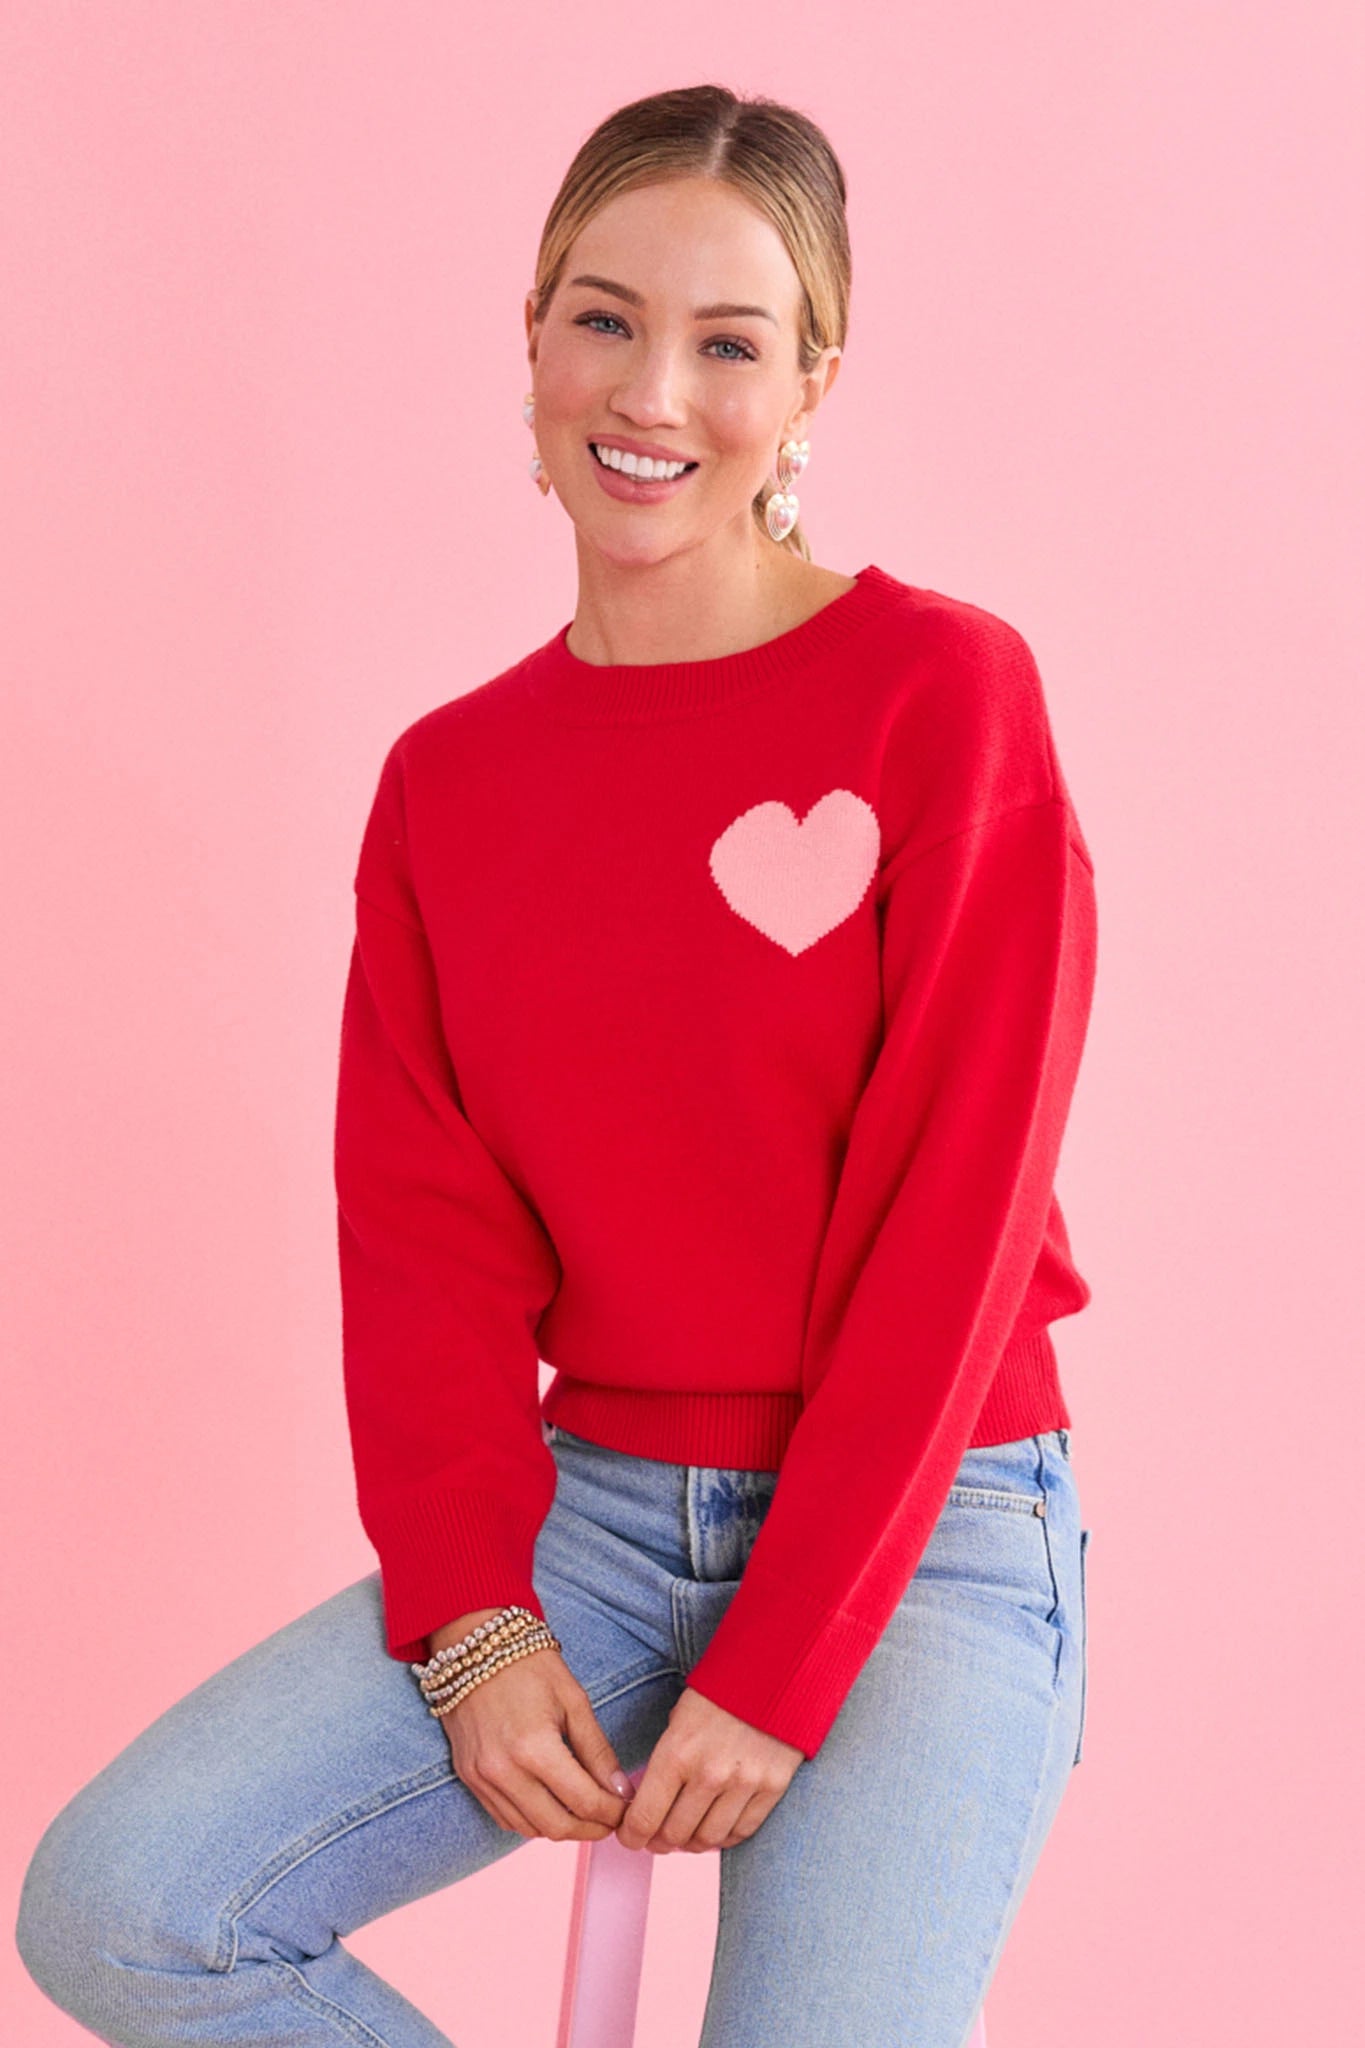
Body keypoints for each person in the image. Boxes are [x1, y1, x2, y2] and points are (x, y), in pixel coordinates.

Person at [16, 81, 1097, 2048]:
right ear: (530, 337)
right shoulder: (451, 784)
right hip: (588, 1520)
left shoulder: (942, 695)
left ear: (812, 384)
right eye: (604, 318)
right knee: (131, 1904)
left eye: (728, 343)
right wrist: (471, 1615)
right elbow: (422, 1242)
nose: (651, 392)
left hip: (927, 1526)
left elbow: (954, 1221)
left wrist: (780, 1662)